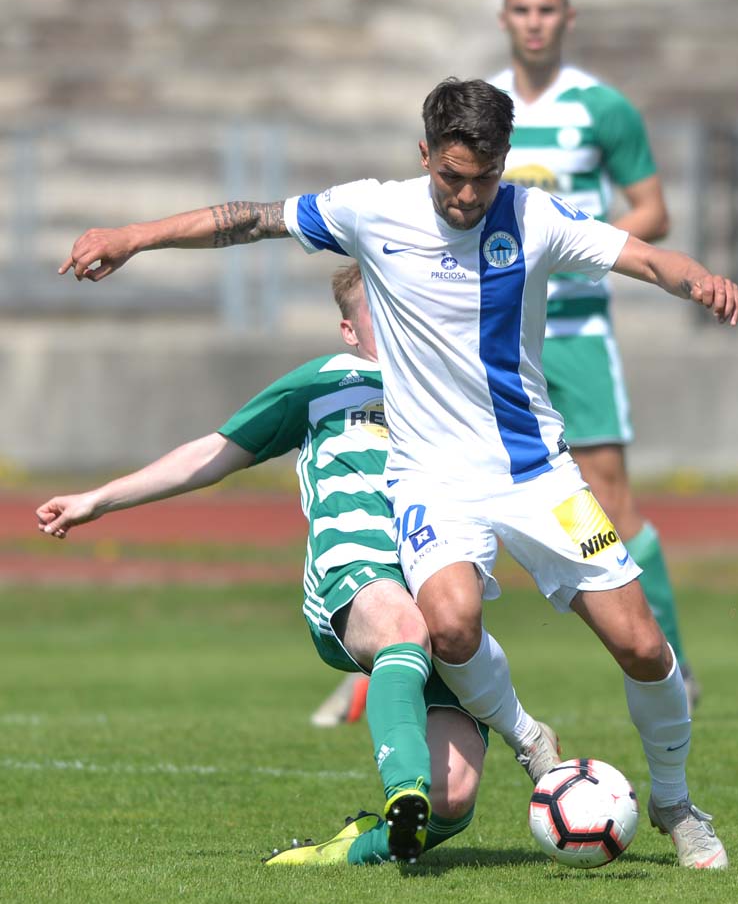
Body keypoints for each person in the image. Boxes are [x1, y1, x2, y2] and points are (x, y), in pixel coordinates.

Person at [60, 77, 738, 868]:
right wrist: (134, 236)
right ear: (424, 155)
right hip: (430, 480)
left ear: (504, 162)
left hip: (538, 475)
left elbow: (644, 256)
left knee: (642, 647)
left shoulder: (534, 217)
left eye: (484, 178)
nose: (467, 196)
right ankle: (528, 738)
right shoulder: (372, 210)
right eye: (452, 177)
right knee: (448, 624)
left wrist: (696, 281)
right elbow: (250, 219)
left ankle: (674, 803)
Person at [38, 260, 559, 866]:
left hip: (439, 585)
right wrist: (98, 499)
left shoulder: (454, 390)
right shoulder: (328, 381)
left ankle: (350, 850)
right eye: (381, 308)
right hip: (354, 571)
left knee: (455, 797)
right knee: (403, 629)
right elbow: (211, 452)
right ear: (349, 331)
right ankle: (403, 789)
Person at [489, 0, 699, 708]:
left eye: (547, 9)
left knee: (608, 501)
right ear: (504, 19)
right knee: (450, 488)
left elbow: (653, 211)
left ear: (567, 19)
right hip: (494, 338)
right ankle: (407, 659)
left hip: (576, 334)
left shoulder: (600, 109)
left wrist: (575, 244)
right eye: (522, 10)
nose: (534, 22)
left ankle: (669, 662)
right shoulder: (482, 107)